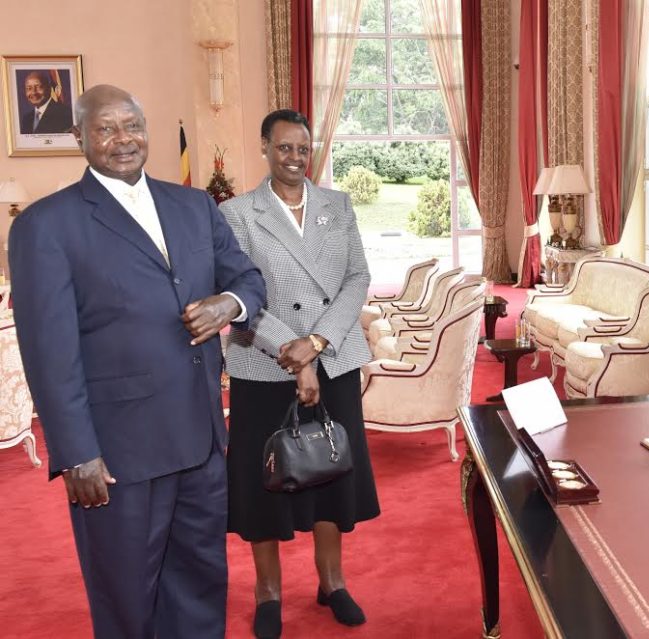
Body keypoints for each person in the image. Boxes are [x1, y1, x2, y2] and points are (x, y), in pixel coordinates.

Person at [9, 84, 266, 638]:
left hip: (200, 440)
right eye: (105, 128)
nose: (122, 139)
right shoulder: (45, 226)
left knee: (200, 584)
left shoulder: (194, 206)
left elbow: (247, 277)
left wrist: (229, 303)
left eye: (132, 125)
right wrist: (76, 452)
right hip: (117, 454)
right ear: (78, 136)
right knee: (127, 596)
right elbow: (49, 353)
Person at [219, 109, 379, 639]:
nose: (294, 157)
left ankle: (332, 581)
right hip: (264, 362)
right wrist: (295, 352)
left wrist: (317, 342)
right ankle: (268, 590)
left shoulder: (338, 205)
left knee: (332, 471)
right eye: (284, 147)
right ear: (265, 147)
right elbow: (238, 294)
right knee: (263, 480)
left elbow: (357, 277)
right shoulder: (237, 213)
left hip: (333, 357)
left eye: (303, 149)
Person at [18, 70, 73, 134]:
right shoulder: (26, 119)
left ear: (49, 89)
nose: (33, 92)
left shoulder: (65, 114)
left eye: (38, 87)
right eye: (29, 88)